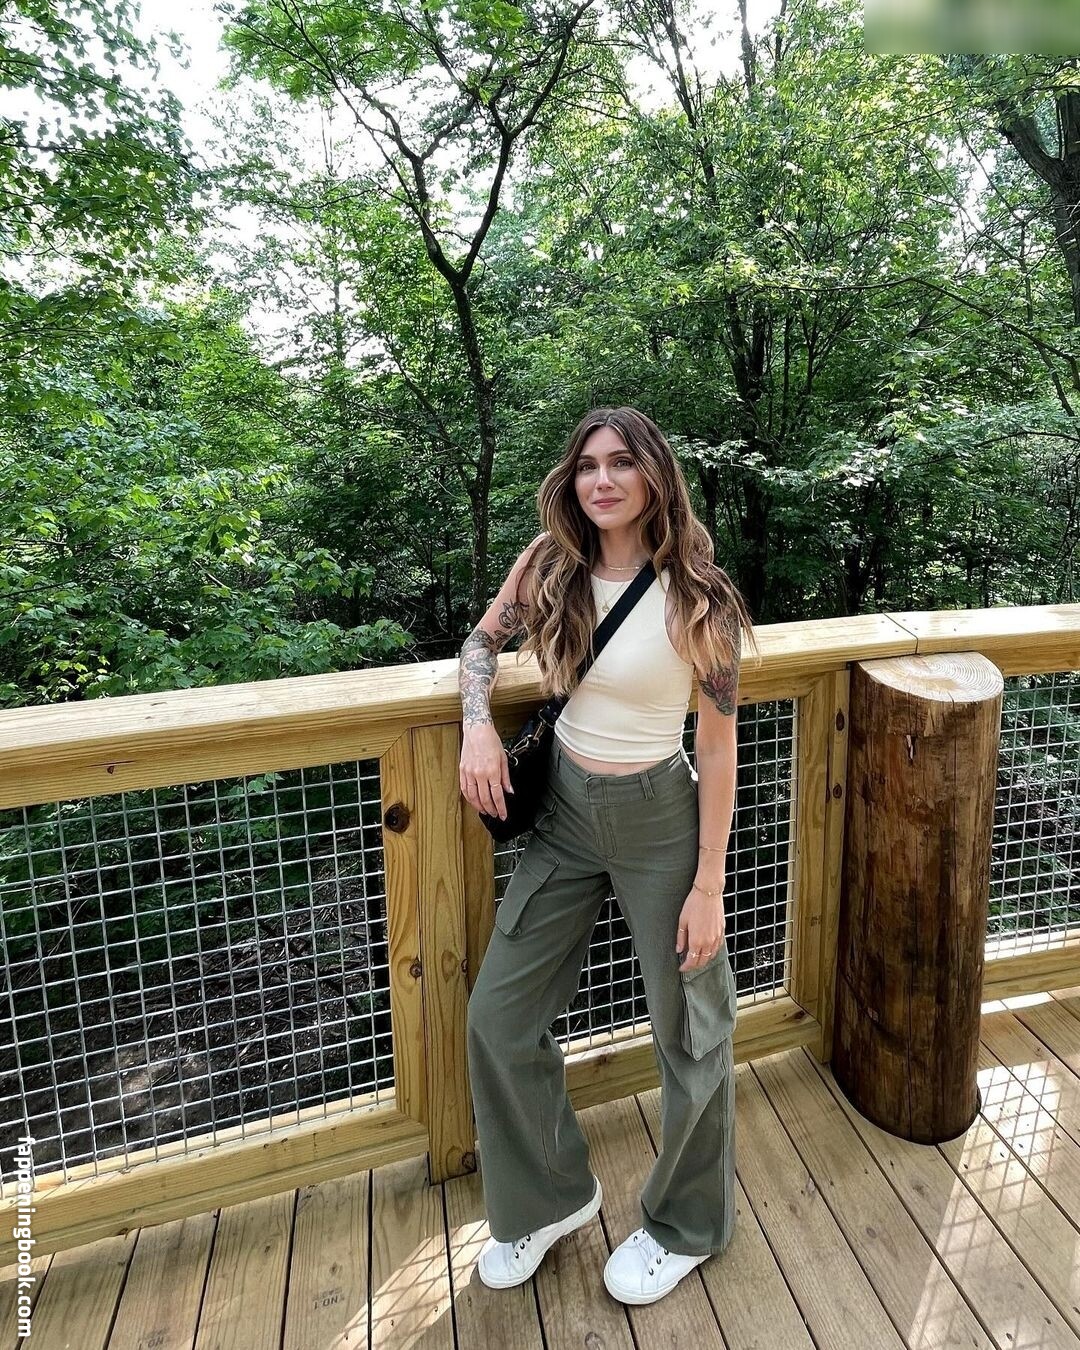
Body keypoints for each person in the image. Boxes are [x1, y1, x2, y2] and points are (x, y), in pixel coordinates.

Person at [457, 406, 758, 1305]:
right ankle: (551, 1196)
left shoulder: (699, 597)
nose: (602, 480)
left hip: (660, 819)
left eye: (622, 463)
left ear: (656, 476)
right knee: (498, 1017)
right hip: (564, 813)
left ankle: (686, 1226)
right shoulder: (550, 563)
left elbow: (718, 746)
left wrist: (709, 883)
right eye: (588, 465)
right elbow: (481, 642)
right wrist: (477, 725)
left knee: (691, 1031)